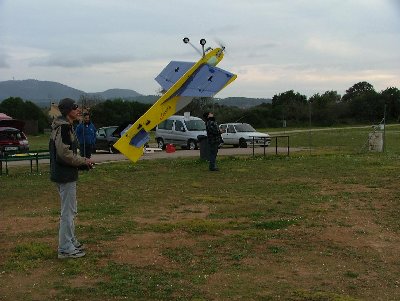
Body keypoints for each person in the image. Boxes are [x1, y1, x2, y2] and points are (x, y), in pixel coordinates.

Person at [49, 98, 94, 259]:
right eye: (75, 107)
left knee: (71, 210)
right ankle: (65, 248)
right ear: (68, 110)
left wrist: (81, 163)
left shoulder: (66, 126)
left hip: (66, 173)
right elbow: (64, 154)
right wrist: (83, 161)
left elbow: (68, 153)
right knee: (67, 212)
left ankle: (70, 240)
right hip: (65, 175)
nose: (78, 110)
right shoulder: (63, 127)